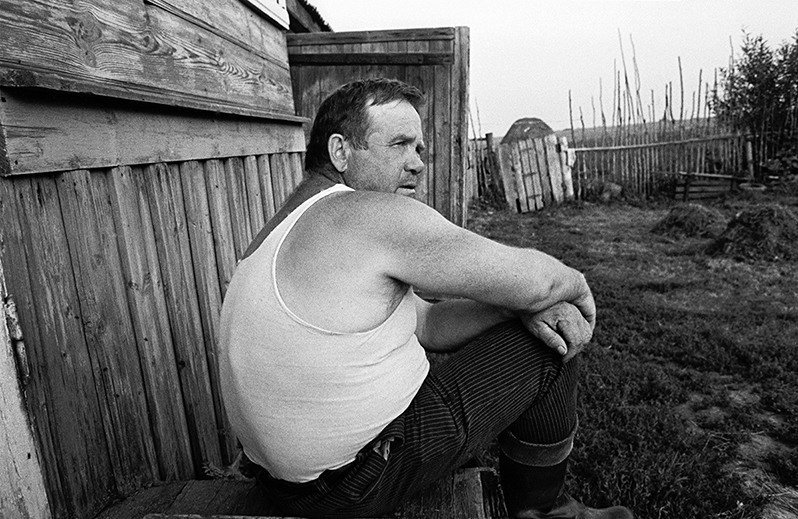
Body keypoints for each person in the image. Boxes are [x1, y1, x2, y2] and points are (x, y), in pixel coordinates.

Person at [219, 78, 633, 519]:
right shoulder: (361, 215)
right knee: (547, 346)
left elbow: (430, 324)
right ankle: (544, 512)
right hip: (352, 485)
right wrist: (575, 291)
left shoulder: (286, 229)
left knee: (535, 320)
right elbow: (542, 283)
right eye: (399, 144)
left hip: (290, 484)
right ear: (340, 151)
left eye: (419, 148)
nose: (417, 163)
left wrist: (516, 307)